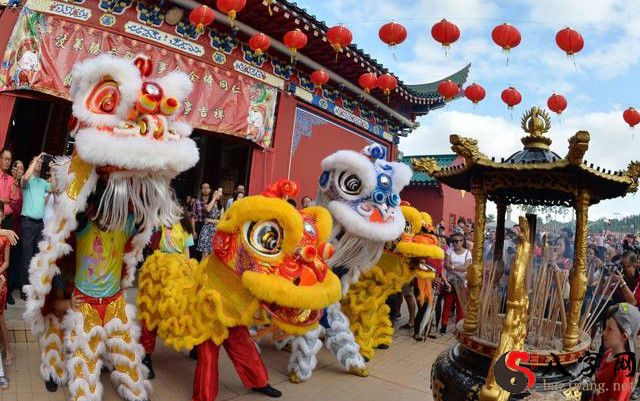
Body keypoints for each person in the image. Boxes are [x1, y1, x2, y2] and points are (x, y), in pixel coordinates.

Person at [140, 213, 194, 379]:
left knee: (188, 309)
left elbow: (187, 252)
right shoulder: (158, 223)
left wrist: (189, 272)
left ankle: (196, 344)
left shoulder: (184, 226)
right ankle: (146, 356)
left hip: (179, 271)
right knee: (151, 312)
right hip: (158, 270)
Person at [18, 154, 53, 300]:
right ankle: (24, 290)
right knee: (26, 257)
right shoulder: (27, 180)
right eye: (36, 161)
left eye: (40, 162)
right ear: (31, 165)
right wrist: (37, 157)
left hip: (39, 224)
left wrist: (53, 170)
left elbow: (55, 189)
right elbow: (26, 178)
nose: (39, 163)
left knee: (37, 257)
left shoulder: (43, 182)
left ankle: (33, 288)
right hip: (28, 223)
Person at [592, 303, 640, 401]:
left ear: (624, 336)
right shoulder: (609, 353)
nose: (604, 332)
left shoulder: (623, 370)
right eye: (605, 327)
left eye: (610, 329)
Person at [441, 233, 471, 334]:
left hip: (462, 283)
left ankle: (458, 328)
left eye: (456, 241)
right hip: (450, 282)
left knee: (460, 306)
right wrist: (458, 268)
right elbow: (446, 265)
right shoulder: (449, 250)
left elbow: (466, 268)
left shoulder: (467, 253)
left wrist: (452, 267)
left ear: (462, 242)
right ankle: (443, 327)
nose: (454, 243)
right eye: (453, 241)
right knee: (447, 304)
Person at [6, 160, 22, 305]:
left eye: (22, 168)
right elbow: (10, 202)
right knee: (6, 258)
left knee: (15, 260)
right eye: (17, 167)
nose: (19, 170)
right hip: (8, 224)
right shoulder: (10, 181)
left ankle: (9, 290)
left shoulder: (25, 186)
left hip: (20, 228)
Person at [0, 203, 13, 371]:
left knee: (0, 316)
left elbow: (7, 262)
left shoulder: (7, 237)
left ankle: (8, 350)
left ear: (3, 216)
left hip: (1, 277)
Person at [196, 189, 223, 260]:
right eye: (215, 193)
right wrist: (214, 198)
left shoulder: (221, 207)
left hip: (216, 231)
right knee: (205, 253)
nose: (217, 195)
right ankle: (202, 267)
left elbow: (221, 221)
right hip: (207, 230)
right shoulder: (207, 204)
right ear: (212, 195)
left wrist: (210, 220)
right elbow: (208, 209)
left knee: (212, 254)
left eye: (218, 194)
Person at [0, 150, 17, 229]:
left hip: (8, 218)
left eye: (9, 160)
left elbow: (13, 199)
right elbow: (9, 200)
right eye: (6, 159)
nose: (7, 162)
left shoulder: (11, 179)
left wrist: (15, 180)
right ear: (0, 159)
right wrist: (7, 200)